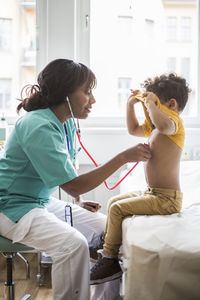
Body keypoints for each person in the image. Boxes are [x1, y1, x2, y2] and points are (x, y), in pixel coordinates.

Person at [0, 58, 151, 300]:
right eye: (87, 92)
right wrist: (123, 157)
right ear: (65, 93)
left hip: (39, 201)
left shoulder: (66, 123)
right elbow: (72, 184)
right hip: (10, 207)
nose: (92, 100)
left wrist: (76, 204)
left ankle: (106, 297)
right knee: (72, 246)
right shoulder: (37, 126)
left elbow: (66, 174)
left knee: (110, 231)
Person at [90, 73, 190, 285]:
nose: (151, 109)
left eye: (155, 104)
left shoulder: (174, 124)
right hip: (153, 193)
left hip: (168, 199)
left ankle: (109, 260)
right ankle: (109, 242)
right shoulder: (157, 127)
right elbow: (133, 129)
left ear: (171, 105)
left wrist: (151, 103)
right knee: (113, 202)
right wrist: (131, 106)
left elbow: (163, 125)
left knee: (117, 210)